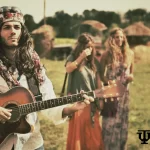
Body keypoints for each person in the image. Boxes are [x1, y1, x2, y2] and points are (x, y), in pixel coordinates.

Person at [0, 6, 94, 150]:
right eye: (6, 27)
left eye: (17, 27)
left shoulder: (33, 64)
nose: (12, 31)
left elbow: (47, 99)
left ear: (22, 31)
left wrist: (70, 108)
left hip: (32, 142)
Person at [65, 33, 104, 150]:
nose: (90, 50)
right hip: (78, 104)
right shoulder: (73, 58)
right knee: (79, 137)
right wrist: (81, 57)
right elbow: (68, 69)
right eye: (87, 47)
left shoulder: (93, 62)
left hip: (92, 104)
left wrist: (101, 99)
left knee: (95, 136)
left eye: (91, 47)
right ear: (81, 47)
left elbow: (98, 84)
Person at [99, 27, 134, 150]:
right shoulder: (106, 54)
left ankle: (121, 147)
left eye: (121, 36)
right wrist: (108, 82)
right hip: (111, 93)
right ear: (111, 39)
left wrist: (130, 77)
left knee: (122, 122)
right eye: (116, 37)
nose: (119, 39)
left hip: (124, 94)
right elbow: (99, 74)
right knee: (110, 122)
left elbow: (131, 72)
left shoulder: (129, 53)